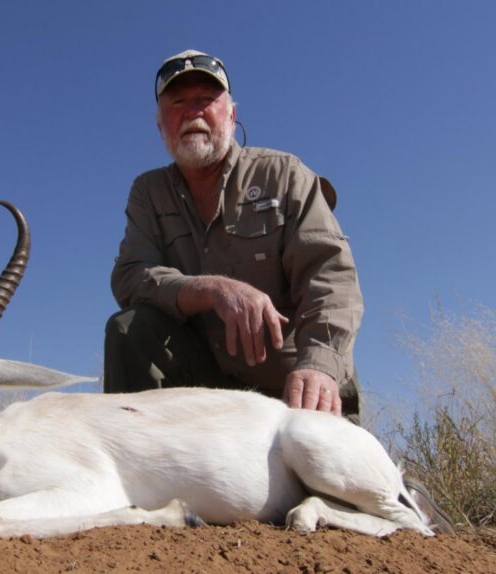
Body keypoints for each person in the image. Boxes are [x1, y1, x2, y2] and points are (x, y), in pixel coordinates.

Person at [103, 49, 363, 421]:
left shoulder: (284, 173)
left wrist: (319, 365)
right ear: (160, 125)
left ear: (231, 114)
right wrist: (212, 289)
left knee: (327, 454)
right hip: (204, 394)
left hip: (293, 388)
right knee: (130, 329)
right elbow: (131, 276)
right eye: (178, 103)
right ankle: (140, 453)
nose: (192, 112)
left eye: (205, 100)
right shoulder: (148, 192)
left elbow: (330, 274)